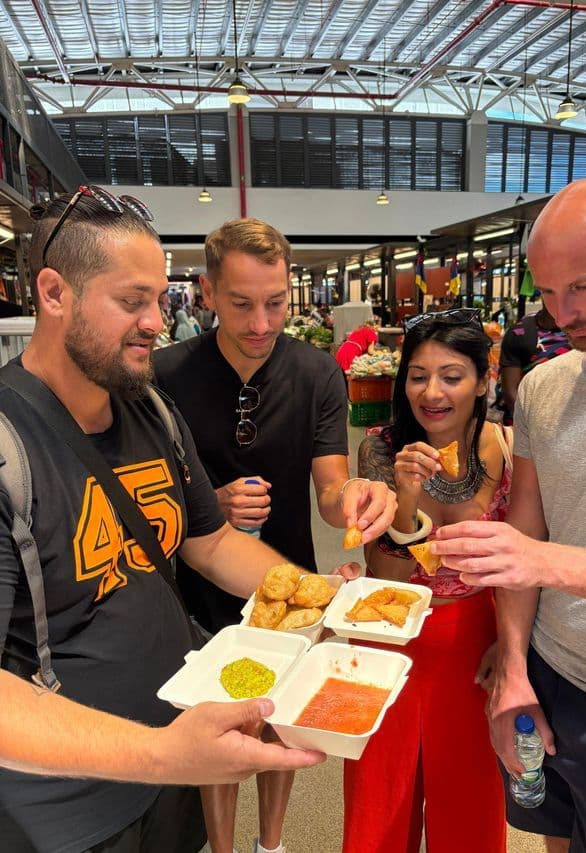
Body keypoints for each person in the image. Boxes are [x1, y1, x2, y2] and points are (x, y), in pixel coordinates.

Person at [0, 188, 343, 853]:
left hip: (177, 765)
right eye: (132, 302)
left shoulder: (150, 412)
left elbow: (211, 542)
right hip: (68, 808)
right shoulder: (12, 446)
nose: (158, 322)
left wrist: (329, 598)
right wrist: (163, 753)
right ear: (52, 293)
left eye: (160, 299)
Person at [153, 217, 396, 853]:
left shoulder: (316, 372)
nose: (261, 323)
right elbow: (148, 490)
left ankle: (272, 844)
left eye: (276, 303)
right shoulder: (165, 374)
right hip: (195, 584)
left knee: (276, 725)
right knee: (217, 727)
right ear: (206, 293)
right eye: (241, 304)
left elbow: (328, 483)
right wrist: (206, 505)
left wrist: (357, 495)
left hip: (287, 580)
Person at [432, 178, 586, 853]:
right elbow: (525, 534)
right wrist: (515, 667)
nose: (562, 313)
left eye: (582, 286)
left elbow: (534, 554)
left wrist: (542, 561)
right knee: (555, 836)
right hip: (546, 677)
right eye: (547, 292)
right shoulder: (547, 387)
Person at [342, 307, 510, 853]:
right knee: (380, 800)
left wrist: (511, 646)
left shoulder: (508, 448)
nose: (431, 392)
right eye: (417, 375)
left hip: (476, 639)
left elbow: (525, 558)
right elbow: (385, 572)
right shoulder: (380, 449)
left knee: (469, 798)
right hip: (389, 633)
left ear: (483, 380)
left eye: (451, 376)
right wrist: (405, 497)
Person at [498, 303, 570, 424]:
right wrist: (534, 427)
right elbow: (511, 392)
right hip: (526, 426)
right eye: (550, 291)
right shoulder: (520, 332)